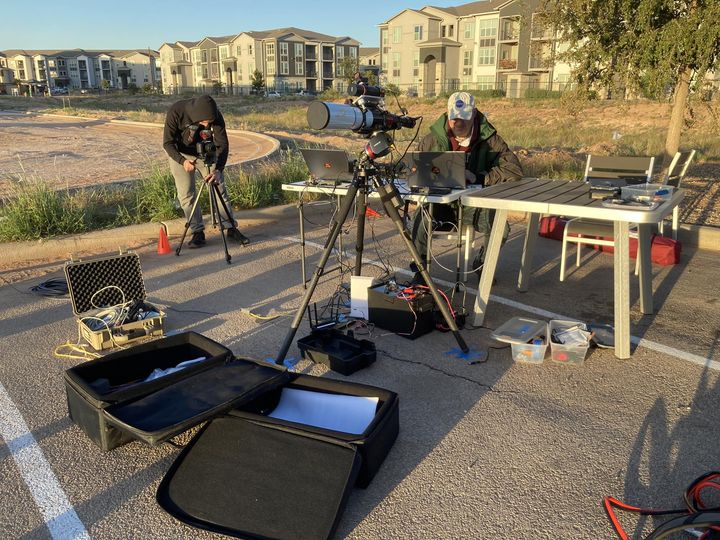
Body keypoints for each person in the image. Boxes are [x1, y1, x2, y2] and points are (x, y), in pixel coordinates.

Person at [409, 91, 523, 283]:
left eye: (464, 117)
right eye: (454, 118)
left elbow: (514, 170)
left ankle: (482, 264)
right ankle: (421, 273)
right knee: (421, 219)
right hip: (441, 205)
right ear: (447, 114)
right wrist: (416, 173)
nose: (458, 123)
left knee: (500, 226)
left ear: (474, 114)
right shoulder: (432, 139)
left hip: (473, 206)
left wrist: (480, 177)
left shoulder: (490, 140)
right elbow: (412, 170)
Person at [163, 94, 249, 248]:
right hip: (181, 155)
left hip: (206, 154)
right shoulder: (176, 111)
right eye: (203, 122)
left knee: (219, 188)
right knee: (186, 194)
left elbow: (223, 145)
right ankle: (197, 232)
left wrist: (219, 170)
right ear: (196, 116)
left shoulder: (215, 116)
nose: (206, 125)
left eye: (209, 122)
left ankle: (230, 228)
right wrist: (182, 161)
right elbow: (167, 143)